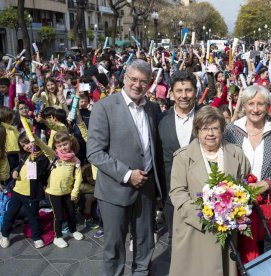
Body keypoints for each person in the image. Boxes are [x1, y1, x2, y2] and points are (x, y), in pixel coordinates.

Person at [87, 59, 162, 276]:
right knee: (114, 247)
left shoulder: (153, 108)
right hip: (114, 189)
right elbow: (94, 152)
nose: (138, 85)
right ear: (124, 78)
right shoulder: (104, 107)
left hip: (146, 188)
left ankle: (141, 272)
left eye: (144, 82)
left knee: (146, 241)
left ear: (149, 84)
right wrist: (128, 175)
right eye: (134, 79)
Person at [169, 106, 251, 276]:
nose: (210, 134)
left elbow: (245, 187)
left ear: (222, 130)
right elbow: (177, 193)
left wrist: (235, 209)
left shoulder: (237, 154)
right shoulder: (183, 157)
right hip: (194, 231)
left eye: (215, 128)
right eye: (205, 128)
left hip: (226, 233)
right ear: (197, 131)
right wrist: (207, 216)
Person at [223, 85, 271, 262]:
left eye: (260, 104)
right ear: (244, 105)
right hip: (236, 206)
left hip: (266, 205)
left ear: (268, 106)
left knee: (268, 255)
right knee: (238, 257)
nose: (255, 109)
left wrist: (265, 184)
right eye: (251, 103)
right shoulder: (230, 131)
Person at [158, 70, 197, 244]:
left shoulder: (207, 116)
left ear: (195, 91)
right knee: (176, 241)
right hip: (171, 195)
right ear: (171, 93)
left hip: (202, 194)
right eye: (179, 91)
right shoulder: (160, 120)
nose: (184, 95)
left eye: (188, 90)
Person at [34, 131, 84, 248]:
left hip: (68, 192)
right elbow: (44, 147)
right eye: (59, 146)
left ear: (70, 143)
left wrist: (75, 192)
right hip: (54, 192)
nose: (63, 147)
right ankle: (58, 237)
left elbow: (78, 177)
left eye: (65, 144)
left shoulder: (75, 160)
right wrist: (35, 138)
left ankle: (73, 230)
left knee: (71, 213)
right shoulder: (54, 156)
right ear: (56, 147)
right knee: (59, 216)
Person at [0, 132, 50, 249]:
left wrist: (33, 158)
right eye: (23, 145)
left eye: (27, 143)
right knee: (10, 214)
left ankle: (36, 237)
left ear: (34, 140)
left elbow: (37, 173)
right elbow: (20, 166)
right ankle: (5, 234)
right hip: (17, 191)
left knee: (33, 216)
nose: (26, 146)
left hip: (31, 195)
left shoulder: (42, 157)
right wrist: (15, 171)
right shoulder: (25, 156)